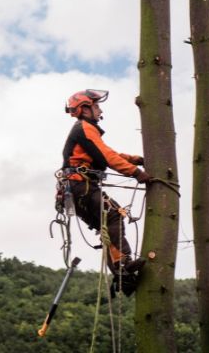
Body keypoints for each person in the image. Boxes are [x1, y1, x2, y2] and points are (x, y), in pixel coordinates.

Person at [61, 89, 152, 295]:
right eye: (96, 106)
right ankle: (122, 266)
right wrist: (136, 172)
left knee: (109, 226)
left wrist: (135, 159)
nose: (99, 110)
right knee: (113, 216)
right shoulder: (84, 128)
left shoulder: (86, 131)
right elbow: (107, 156)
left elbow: (107, 153)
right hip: (80, 186)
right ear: (85, 109)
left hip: (77, 190)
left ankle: (122, 274)